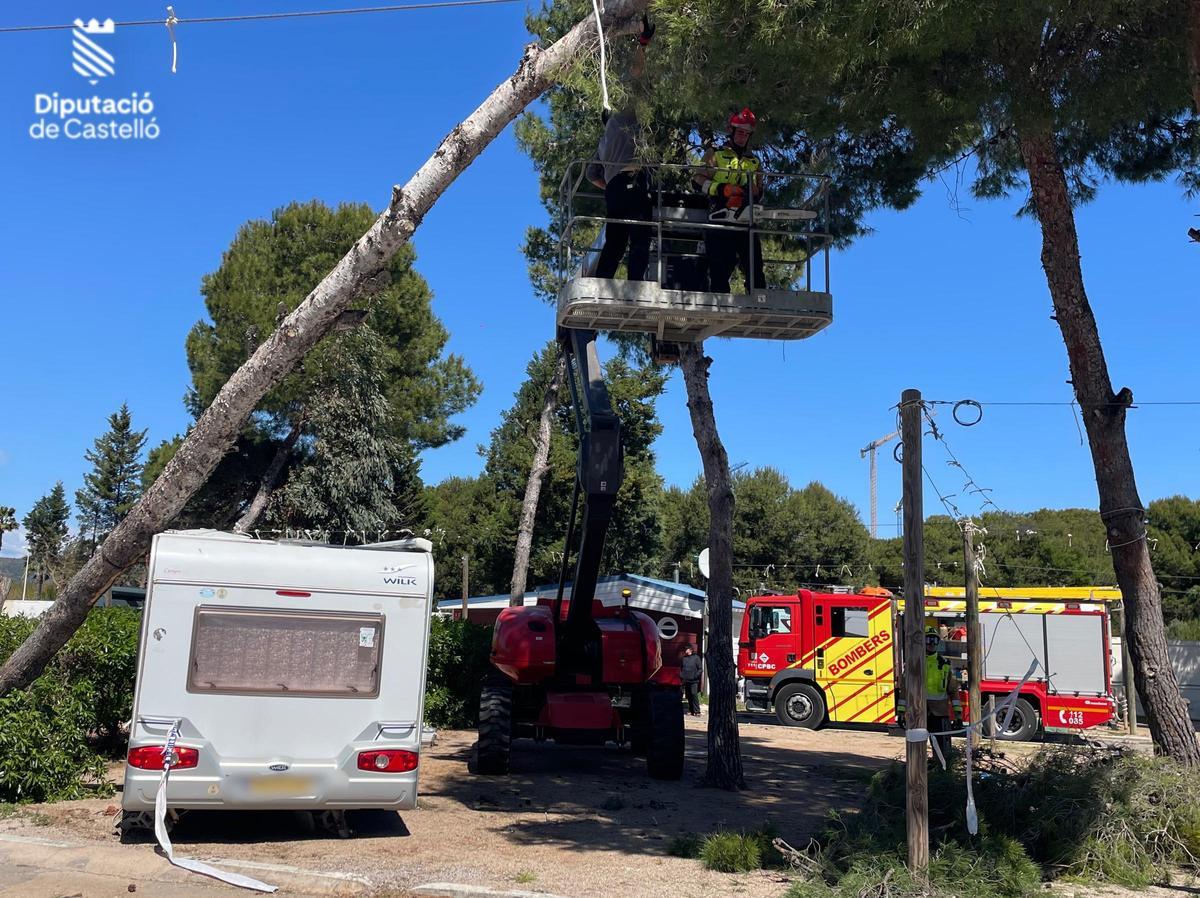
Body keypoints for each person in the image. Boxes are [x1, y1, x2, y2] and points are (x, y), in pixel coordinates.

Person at [586, 16, 655, 281]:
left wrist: (610, 184)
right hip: (633, 180)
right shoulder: (624, 117)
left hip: (614, 187)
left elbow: (593, 175)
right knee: (640, 236)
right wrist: (643, 43)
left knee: (615, 241)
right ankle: (636, 284)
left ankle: (603, 282)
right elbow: (635, 76)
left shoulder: (604, 142)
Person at [693, 107, 766, 293]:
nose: (743, 136)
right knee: (719, 268)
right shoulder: (715, 154)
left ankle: (758, 300)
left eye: (746, 134)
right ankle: (720, 301)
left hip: (745, 221)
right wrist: (722, 189)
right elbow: (697, 180)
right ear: (732, 131)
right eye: (740, 132)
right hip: (719, 219)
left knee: (755, 265)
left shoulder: (754, 162)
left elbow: (760, 189)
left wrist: (752, 191)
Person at [924, 628, 962, 758]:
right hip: (919, 713)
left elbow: (953, 691)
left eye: (935, 640)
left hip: (940, 714)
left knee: (942, 750)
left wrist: (958, 715)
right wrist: (902, 712)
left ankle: (942, 772)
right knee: (916, 749)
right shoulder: (915, 663)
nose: (932, 643)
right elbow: (906, 690)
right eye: (928, 639)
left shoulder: (944, 664)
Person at [680, 644, 703, 716]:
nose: (685, 651)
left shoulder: (696, 658)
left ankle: (697, 711)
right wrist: (682, 675)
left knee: (694, 695)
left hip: (694, 680)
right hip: (686, 680)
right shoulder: (684, 658)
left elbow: (700, 669)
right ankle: (691, 710)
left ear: (690, 650)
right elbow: (681, 668)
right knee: (689, 696)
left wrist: (695, 676)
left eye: (686, 649)